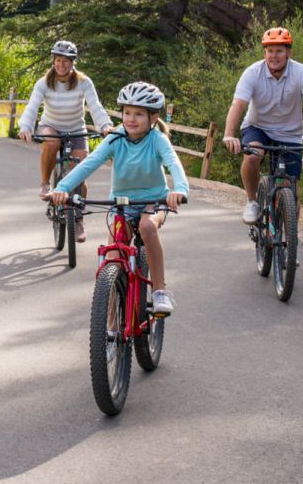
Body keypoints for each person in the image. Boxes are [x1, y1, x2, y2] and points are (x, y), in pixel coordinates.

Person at [50, 81, 187, 315]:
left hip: (154, 202)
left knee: (147, 227)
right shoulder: (115, 138)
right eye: (127, 113)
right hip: (120, 204)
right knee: (112, 260)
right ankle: (111, 330)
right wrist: (62, 187)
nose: (131, 118)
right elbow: (89, 164)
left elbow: (174, 164)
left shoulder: (157, 140)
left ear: (153, 118)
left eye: (139, 114)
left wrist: (180, 190)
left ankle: (160, 290)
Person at [221, 27, 303, 225]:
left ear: (288, 53)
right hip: (257, 127)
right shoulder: (253, 72)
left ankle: (288, 244)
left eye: (279, 51)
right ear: (264, 53)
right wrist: (228, 135)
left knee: (290, 189)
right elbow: (238, 104)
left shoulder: (301, 72)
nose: (274, 56)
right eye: (270, 51)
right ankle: (252, 201)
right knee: (253, 155)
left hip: (289, 134)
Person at [17, 39, 114, 242]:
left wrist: (104, 125)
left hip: (76, 129)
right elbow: (32, 106)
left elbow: (95, 106)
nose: (61, 65)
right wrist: (25, 127)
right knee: (51, 142)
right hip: (50, 125)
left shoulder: (83, 82)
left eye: (66, 61)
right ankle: (45, 183)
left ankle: (78, 219)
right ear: (53, 61)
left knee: (79, 171)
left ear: (73, 63)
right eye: (58, 60)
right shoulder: (44, 83)